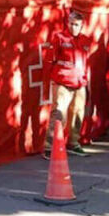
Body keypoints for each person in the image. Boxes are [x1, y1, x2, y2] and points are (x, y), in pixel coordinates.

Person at [42, 11, 91, 158]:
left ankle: (73, 143)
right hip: (62, 82)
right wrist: (52, 79)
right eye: (71, 24)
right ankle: (50, 147)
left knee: (78, 114)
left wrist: (85, 81)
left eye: (77, 24)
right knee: (59, 114)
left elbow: (86, 62)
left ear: (82, 25)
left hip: (79, 82)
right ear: (67, 23)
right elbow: (50, 60)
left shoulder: (85, 40)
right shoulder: (59, 37)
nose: (74, 27)